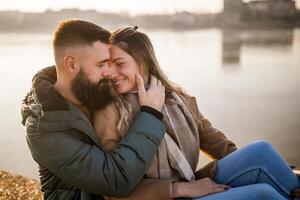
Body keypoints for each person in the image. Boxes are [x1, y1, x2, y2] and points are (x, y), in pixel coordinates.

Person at [92, 26, 300, 200]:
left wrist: (258, 168)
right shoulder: (109, 111)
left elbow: (214, 140)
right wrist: (177, 189)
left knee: (261, 151)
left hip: (193, 182)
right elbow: (112, 187)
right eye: (108, 65)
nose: (111, 72)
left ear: (143, 60)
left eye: (119, 64)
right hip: (163, 196)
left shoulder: (176, 98)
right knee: (262, 193)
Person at [21, 19, 168, 200]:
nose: (109, 72)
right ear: (71, 65)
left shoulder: (94, 89)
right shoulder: (44, 129)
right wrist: (151, 115)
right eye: (101, 64)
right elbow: (115, 179)